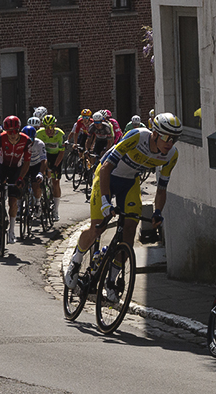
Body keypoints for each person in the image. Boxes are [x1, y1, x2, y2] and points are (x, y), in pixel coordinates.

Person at [63, 113, 181, 289]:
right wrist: (105, 201)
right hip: (107, 176)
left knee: (130, 231)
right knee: (98, 227)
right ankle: (76, 260)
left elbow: (162, 188)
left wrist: (158, 212)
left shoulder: (171, 155)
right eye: (167, 137)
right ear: (155, 133)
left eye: (174, 139)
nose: (170, 143)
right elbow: (106, 167)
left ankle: (111, 280)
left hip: (130, 182)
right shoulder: (137, 136)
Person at [0, 115, 31, 242]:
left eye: (15, 131)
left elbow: (27, 162)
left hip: (16, 169)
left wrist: (21, 178)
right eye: (9, 132)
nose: (13, 134)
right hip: (2, 167)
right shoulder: (0, 139)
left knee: (12, 202)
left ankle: (11, 230)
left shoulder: (26, 141)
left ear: (19, 130)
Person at [37, 114, 66, 219]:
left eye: (51, 127)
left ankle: (56, 210)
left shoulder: (60, 134)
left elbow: (61, 153)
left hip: (56, 156)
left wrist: (55, 166)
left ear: (55, 126)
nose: (48, 130)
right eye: (46, 127)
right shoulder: (39, 134)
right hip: (44, 156)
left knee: (55, 182)